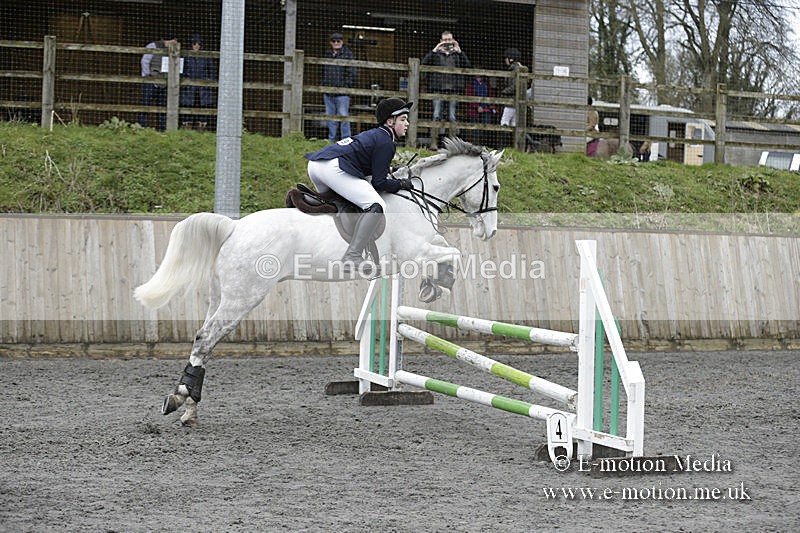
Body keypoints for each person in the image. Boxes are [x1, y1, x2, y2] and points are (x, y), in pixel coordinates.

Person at [305, 98, 415, 274]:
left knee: (346, 202)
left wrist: (392, 169)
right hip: (334, 169)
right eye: (403, 120)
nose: (407, 124)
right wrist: (401, 183)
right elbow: (379, 183)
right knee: (376, 205)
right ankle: (353, 255)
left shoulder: (377, 135)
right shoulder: (386, 142)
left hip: (317, 166)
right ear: (390, 122)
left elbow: (370, 165)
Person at [422, 30, 471, 129]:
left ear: (453, 40)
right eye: (445, 40)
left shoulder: (457, 54)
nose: (447, 42)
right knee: (436, 115)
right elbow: (424, 63)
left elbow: (468, 67)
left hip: (453, 88)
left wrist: (460, 52)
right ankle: (434, 143)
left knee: (452, 117)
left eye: (449, 39)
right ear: (441, 41)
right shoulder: (436, 54)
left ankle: (452, 143)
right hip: (438, 88)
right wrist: (434, 50)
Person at [321, 32, 357, 143]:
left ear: (342, 42)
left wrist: (346, 86)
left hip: (342, 92)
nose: (336, 43)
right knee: (330, 117)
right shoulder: (327, 55)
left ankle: (345, 140)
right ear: (330, 43)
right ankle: (332, 139)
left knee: (343, 116)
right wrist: (324, 84)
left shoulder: (348, 55)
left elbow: (353, 72)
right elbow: (322, 70)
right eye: (334, 41)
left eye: (338, 41)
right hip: (328, 91)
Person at [138, 34, 179, 130]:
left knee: (163, 106)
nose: (175, 44)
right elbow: (145, 61)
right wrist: (147, 76)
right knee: (145, 105)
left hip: (165, 82)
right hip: (151, 80)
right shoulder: (153, 46)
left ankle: (163, 129)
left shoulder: (172, 50)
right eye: (173, 42)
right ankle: (141, 127)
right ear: (168, 40)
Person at [180, 34, 216, 131]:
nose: (196, 46)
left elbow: (211, 71)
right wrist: (184, 82)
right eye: (194, 43)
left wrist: (208, 82)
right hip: (188, 88)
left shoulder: (206, 57)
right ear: (190, 44)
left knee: (203, 108)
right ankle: (187, 130)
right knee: (187, 107)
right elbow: (181, 71)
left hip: (203, 88)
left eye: (199, 44)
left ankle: (201, 131)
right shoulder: (185, 56)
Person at [465, 73, 496, 145]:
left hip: (486, 109)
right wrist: (477, 106)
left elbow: (491, 96)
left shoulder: (486, 85)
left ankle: (484, 145)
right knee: (476, 129)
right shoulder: (470, 85)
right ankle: (475, 144)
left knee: (486, 128)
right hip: (474, 111)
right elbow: (468, 97)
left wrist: (491, 107)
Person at [499, 48, 525, 128]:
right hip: (516, 100)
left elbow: (515, 86)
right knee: (513, 123)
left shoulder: (515, 69)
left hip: (511, 100)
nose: (505, 60)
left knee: (504, 121)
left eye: (506, 58)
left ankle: (504, 140)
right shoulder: (518, 68)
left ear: (511, 59)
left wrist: (504, 91)